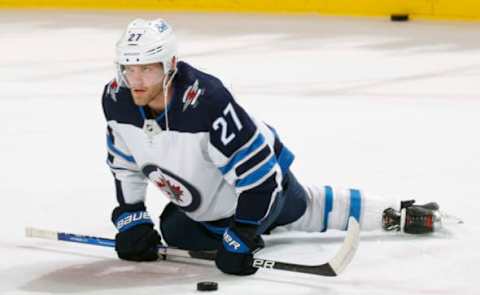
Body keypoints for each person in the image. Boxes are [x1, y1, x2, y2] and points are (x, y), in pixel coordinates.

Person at [102, 18, 440, 276]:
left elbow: (260, 180)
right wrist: (132, 218)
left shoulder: (207, 102)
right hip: (216, 199)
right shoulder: (116, 100)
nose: (137, 81)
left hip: (263, 183)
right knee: (178, 229)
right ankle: (391, 212)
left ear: (170, 66)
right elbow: (126, 164)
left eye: (147, 68)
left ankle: (395, 212)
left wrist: (243, 233)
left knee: (291, 206)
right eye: (129, 69)